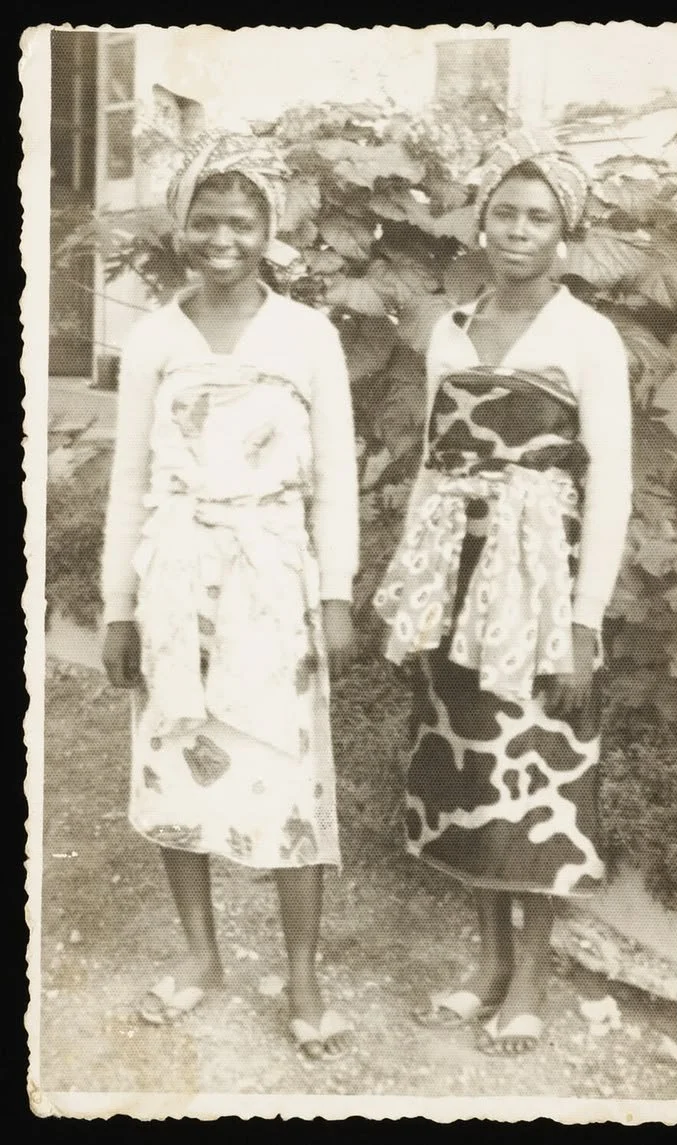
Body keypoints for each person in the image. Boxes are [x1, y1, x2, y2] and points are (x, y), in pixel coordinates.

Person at [101, 131, 359, 1060]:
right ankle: (202, 956)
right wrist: (119, 606)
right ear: (182, 232)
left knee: (289, 774)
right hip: (174, 582)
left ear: (268, 231)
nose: (223, 238)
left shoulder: (308, 335)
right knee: (176, 763)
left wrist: (335, 595)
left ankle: (302, 977)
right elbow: (129, 480)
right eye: (205, 222)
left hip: (272, 579)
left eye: (241, 222)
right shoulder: (156, 338)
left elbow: (335, 477)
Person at [374, 128, 632, 1055]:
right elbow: (439, 470)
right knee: (469, 764)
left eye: (539, 218)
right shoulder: (451, 331)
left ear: (564, 233)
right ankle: (485, 963)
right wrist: (413, 592)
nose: (518, 231)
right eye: (505, 213)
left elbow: (611, 483)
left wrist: (582, 622)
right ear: (480, 223)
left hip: (540, 578)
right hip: (457, 574)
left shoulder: (586, 334)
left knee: (539, 770)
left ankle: (530, 978)